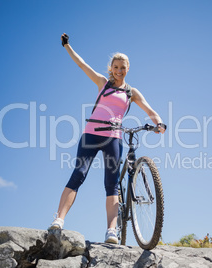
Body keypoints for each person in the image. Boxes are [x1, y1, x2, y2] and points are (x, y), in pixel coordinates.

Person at [48, 33, 166, 244]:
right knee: (79, 174)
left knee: (111, 184)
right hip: (92, 134)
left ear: (128, 69)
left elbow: (150, 110)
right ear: (111, 68)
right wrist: (67, 47)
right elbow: (82, 65)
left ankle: (111, 231)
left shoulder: (131, 92)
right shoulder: (103, 83)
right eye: (116, 67)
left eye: (123, 67)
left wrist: (159, 123)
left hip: (113, 137)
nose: (119, 70)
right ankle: (58, 220)